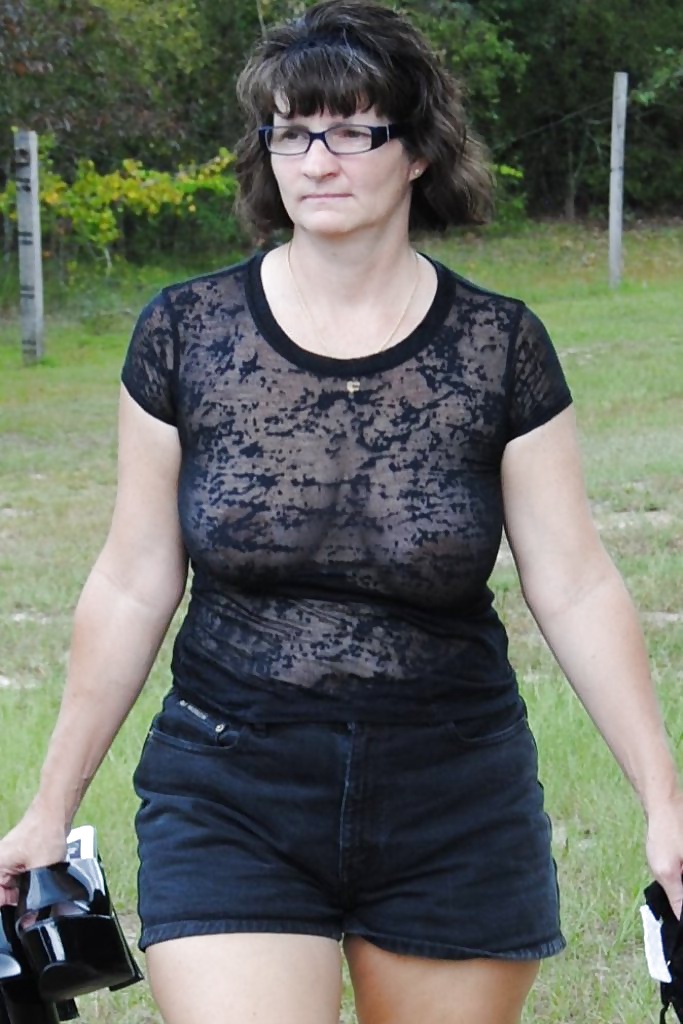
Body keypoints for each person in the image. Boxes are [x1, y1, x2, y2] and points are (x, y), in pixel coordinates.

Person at [1, 2, 682, 1022]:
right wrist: (48, 806)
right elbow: (133, 580)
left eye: (351, 130)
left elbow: (574, 583)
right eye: (290, 131)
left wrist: (664, 804)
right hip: (231, 784)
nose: (315, 159)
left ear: (417, 152)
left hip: (453, 793)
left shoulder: (500, 347)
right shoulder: (184, 333)